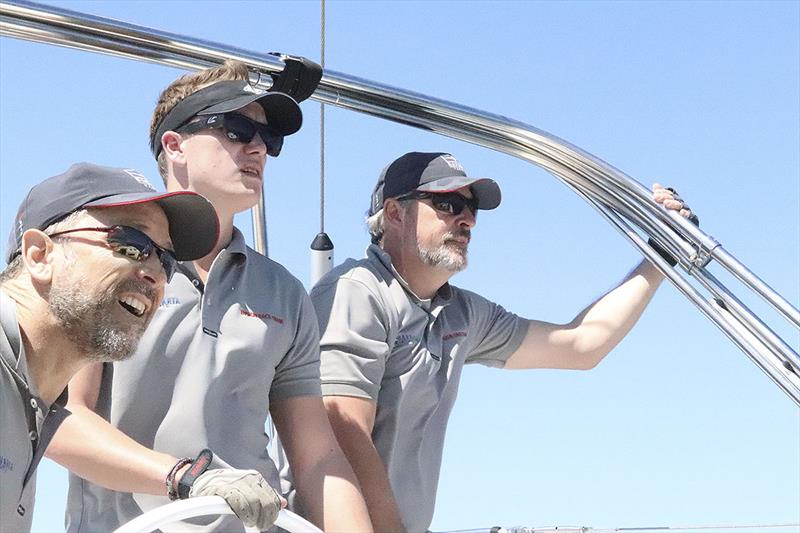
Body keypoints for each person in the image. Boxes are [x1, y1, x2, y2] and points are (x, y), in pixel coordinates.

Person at [54, 61, 373, 532]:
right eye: (237, 128)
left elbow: (318, 459)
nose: (259, 147)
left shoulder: (284, 294)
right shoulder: (108, 262)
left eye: (270, 139)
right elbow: (63, 420)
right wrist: (184, 479)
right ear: (174, 145)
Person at [310, 152, 699, 533]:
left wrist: (662, 254)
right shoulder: (357, 292)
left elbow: (582, 345)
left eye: (471, 208)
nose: (466, 221)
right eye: (447, 204)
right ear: (395, 213)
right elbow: (343, 435)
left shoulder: (462, 314)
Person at [0, 162, 221, 532]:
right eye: (131, 244)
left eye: (165, 260)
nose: (155, 272)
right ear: (40, 255)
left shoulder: (32, 407)